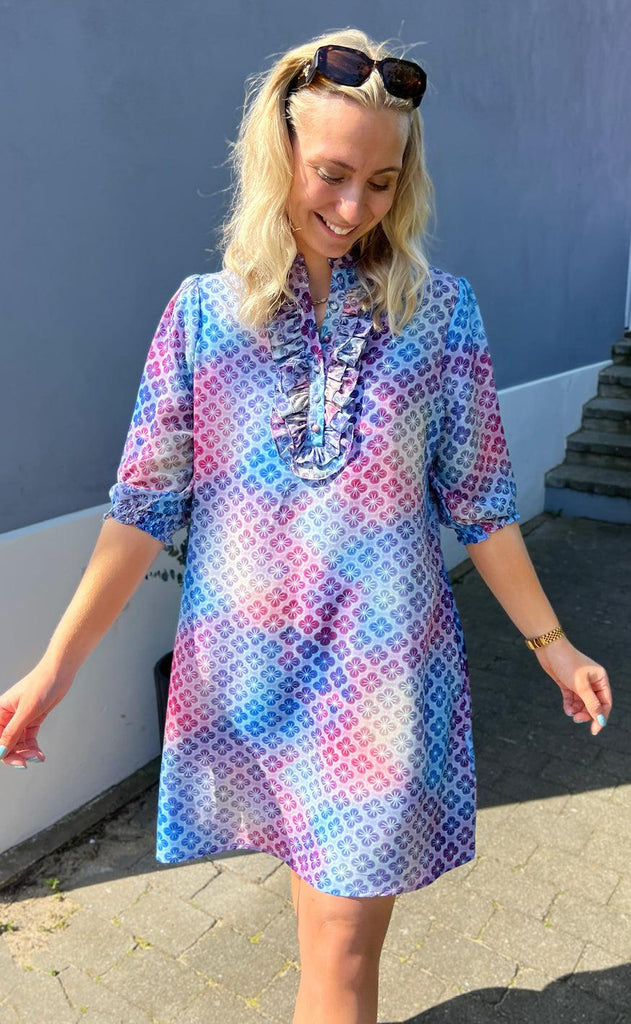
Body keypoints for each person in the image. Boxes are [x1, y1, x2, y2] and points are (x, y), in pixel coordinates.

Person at [0, 26, 612, 1024]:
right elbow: (143, 507)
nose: (353, 207)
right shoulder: (201, 316)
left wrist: (552, 644)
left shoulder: (442, 316)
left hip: (381, 686)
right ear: (277, 152)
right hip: (249, 683)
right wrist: (55, 668)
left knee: (339, 951)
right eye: (331, 173)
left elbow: (482, 504)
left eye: (381, 183)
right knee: (313, 925)